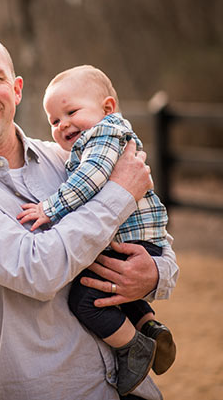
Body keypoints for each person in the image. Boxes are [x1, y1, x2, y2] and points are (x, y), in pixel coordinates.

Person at [0, 30, 179, 399]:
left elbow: (147, 223)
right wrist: (118, 193)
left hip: (131, 391)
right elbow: (37, 271)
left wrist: (156, 272)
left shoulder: (67, 156)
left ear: (16, 90)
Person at [16, 65, 176, 395]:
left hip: (133, 242)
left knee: (86, 300)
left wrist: (49, 208)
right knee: (114, 286)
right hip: (139, 241)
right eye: (55, 121)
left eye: (72, 111)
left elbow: (89, 180)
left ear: (107, 108)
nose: (63, 125)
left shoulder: (103, 136)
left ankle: (133, 348)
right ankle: (148, 325)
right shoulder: (101, 139)